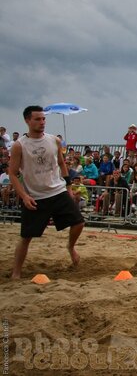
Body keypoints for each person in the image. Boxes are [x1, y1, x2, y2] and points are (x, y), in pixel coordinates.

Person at [8, 106, 85, 279]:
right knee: (26, 237)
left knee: (79, 223)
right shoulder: (19, 145)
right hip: (35, 196)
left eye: (43, 119)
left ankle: (70, 247)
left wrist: (68, 187)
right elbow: (12, 173)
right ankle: (16, 272)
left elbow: (61, 163)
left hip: (57, 191)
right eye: (37, 119)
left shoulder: (54, 140)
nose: (42, 122)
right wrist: (24, 196)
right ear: (27, 120)